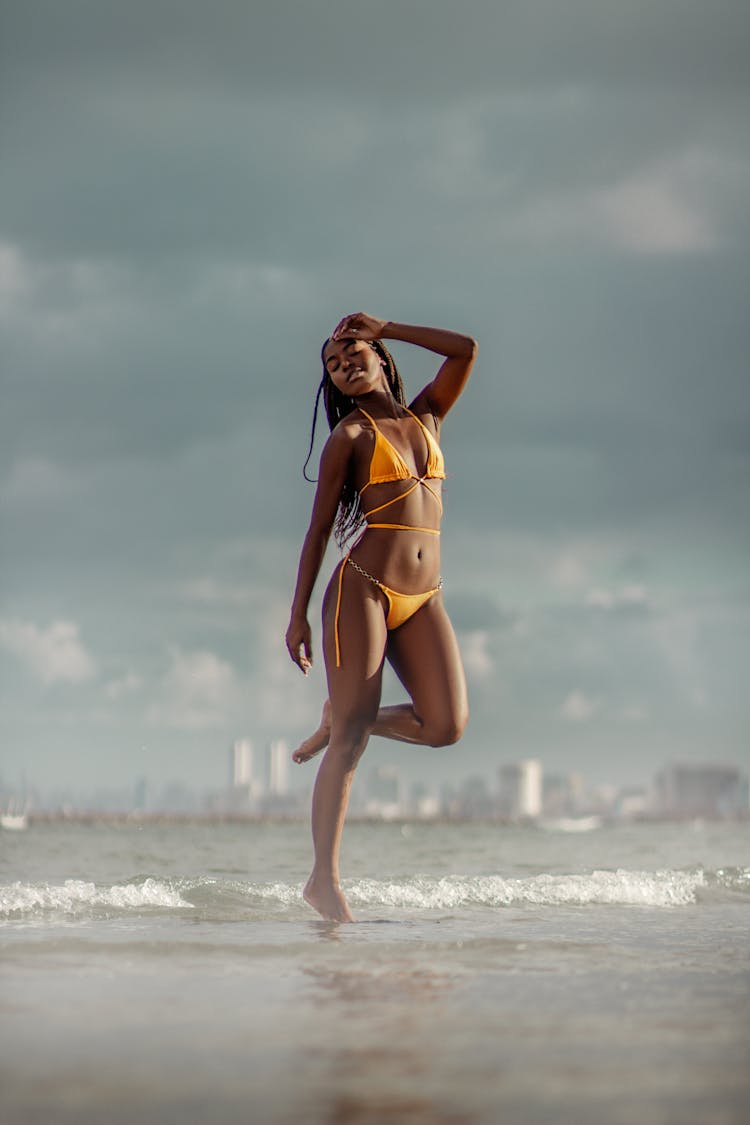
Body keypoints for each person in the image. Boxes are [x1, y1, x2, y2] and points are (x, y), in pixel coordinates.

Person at [285, 311, 477, 921]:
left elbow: (466, 350)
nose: (344, 366)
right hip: (362, 589)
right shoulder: (351, 438)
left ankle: (344, 714)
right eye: (333, 365)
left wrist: (388, 325)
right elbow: (317, 532)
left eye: (353, 352)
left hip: (424, 596)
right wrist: (297, 618)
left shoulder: (427, 417)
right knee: (351, 739)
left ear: (380, 356)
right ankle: (323, 880)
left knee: (446, 726)